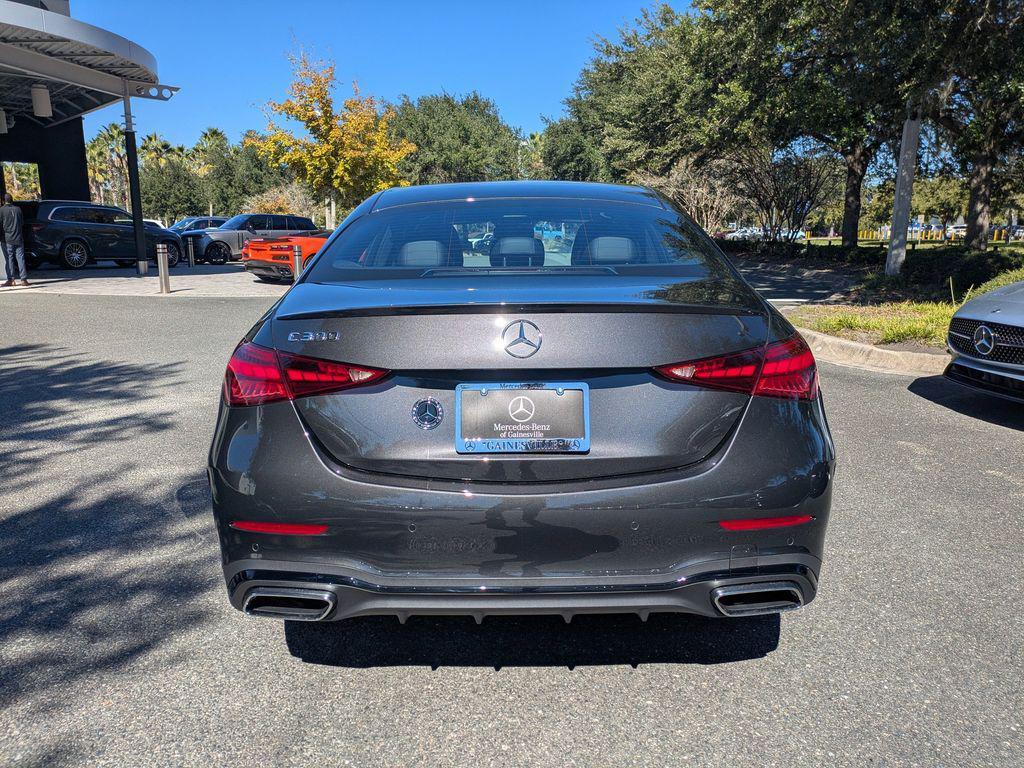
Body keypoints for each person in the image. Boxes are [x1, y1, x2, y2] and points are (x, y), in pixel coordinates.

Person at [1, 193, 28, 287]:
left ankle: (11, 280)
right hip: (19, 237)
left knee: (9, 259)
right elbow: (22, 222)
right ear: (12, 200)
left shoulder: (2, 210)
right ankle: (24, 280)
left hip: (7, 238)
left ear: (4, 200)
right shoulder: (18, 209)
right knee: (21, 258)